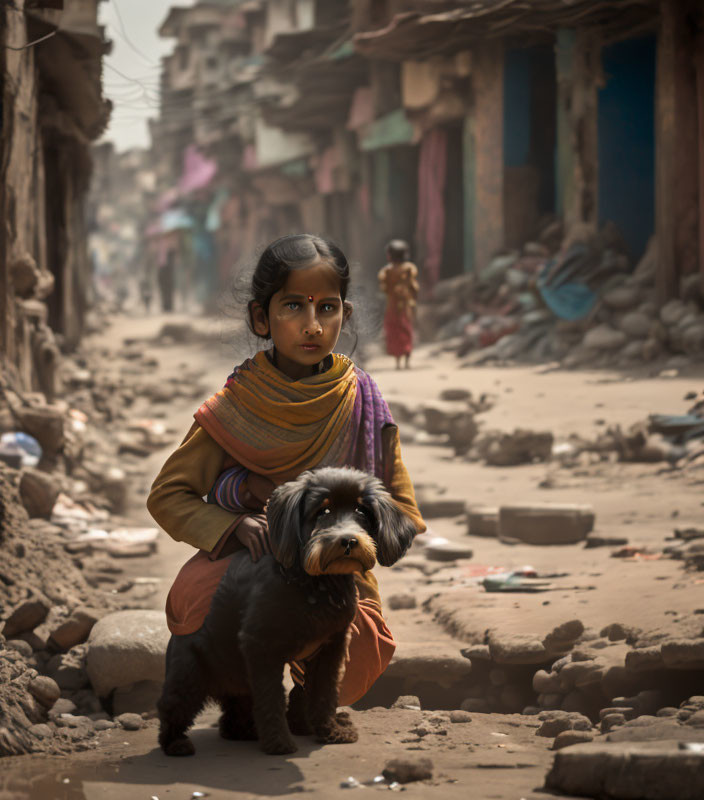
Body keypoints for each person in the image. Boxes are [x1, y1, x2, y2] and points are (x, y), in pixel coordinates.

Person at [147, 233, 425, 706]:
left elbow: (401, 504)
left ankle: (307, 701)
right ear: (261, 317)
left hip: (336, 569)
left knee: (359, 655)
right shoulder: (237, 403)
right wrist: (233, 524)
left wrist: (350, 531)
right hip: (253, 562)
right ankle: (245, 699)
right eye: (293, 307)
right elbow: (168, 495)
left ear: (346, 314)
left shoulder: (362, 399)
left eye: (328, 308)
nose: (313, 326)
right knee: (199, 601)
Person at [378, 239, 419, 370]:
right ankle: (406, 360)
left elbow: (384, 287)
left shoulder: (386, 271)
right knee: (405, 330)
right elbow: (414, 287)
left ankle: (398, 362)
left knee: (394, 331)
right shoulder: (409, 269)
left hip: (392, 306)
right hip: (406, 306)